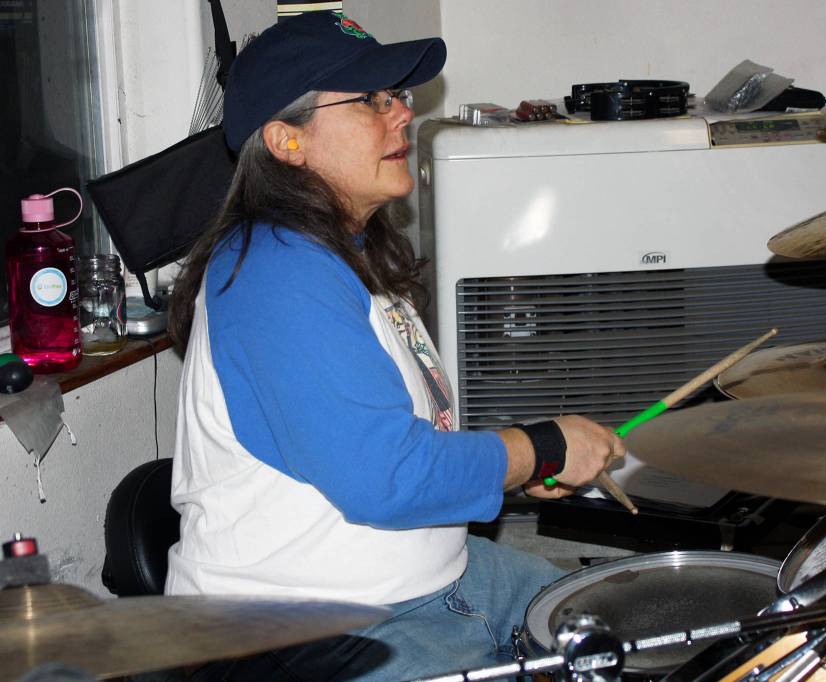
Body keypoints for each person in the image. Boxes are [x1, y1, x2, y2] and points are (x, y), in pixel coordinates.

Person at [165, 10, 625, 681]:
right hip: (305, 631)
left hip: (430, 584)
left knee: (622, 627)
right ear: (285, 140)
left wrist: (518, 468)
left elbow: (400, 440)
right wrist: (543, 446)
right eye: (370, 101)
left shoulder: (341, 254)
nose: (401, 116)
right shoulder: (277, 274)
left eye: (397, 97)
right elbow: (385, 479)